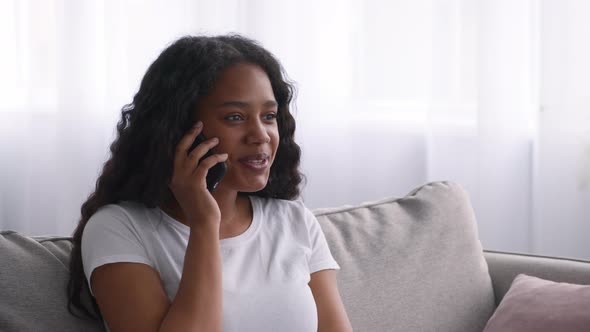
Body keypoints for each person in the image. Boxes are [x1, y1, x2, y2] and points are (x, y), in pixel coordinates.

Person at [66, 34, 352, 332]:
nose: (261, 135)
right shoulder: (117, 228)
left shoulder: (295, 220)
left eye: (268, 116)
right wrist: (204, 224)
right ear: (178, 129)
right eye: (235, 117)